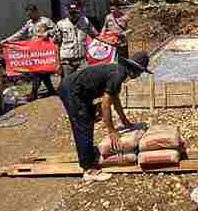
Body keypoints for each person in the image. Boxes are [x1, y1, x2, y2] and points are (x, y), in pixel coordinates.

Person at [58, 51, 152, 181]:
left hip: (78, 91)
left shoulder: (119, 72)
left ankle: (88, 154)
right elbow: (105, 104)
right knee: (83, 125)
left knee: (88, 120)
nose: (139, 76)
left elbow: (115, 99)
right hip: (72, 90)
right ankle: (89, 170)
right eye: (140, 73)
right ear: (135, 70)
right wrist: (112, 131)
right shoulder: (118, 74)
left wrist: (125, 122)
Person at [2, 4, 56, 101]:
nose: (30, 16)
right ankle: (51, 90)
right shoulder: (29, 23)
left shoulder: (45, 21)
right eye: (28, 15)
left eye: (31, 14)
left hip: (44, 51)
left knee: (38, 71)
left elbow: (56, 30)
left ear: (36, 12)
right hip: (34, 52)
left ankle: (33, 93)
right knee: (41, 71)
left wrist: (47, 33)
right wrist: (8, 40)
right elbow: (20, 33)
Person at [53, 2, 98, 79]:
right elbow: (57, 44)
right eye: (71, 12)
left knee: (84, 83)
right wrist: (57, 63)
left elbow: (96, 35)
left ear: (79, 11)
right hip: (67, 63)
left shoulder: (85, 22)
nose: (73, 14)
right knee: (68, 85)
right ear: (67, 12)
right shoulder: (60, 24)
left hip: (82, 62)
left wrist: (109, 40)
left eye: (76, 12)